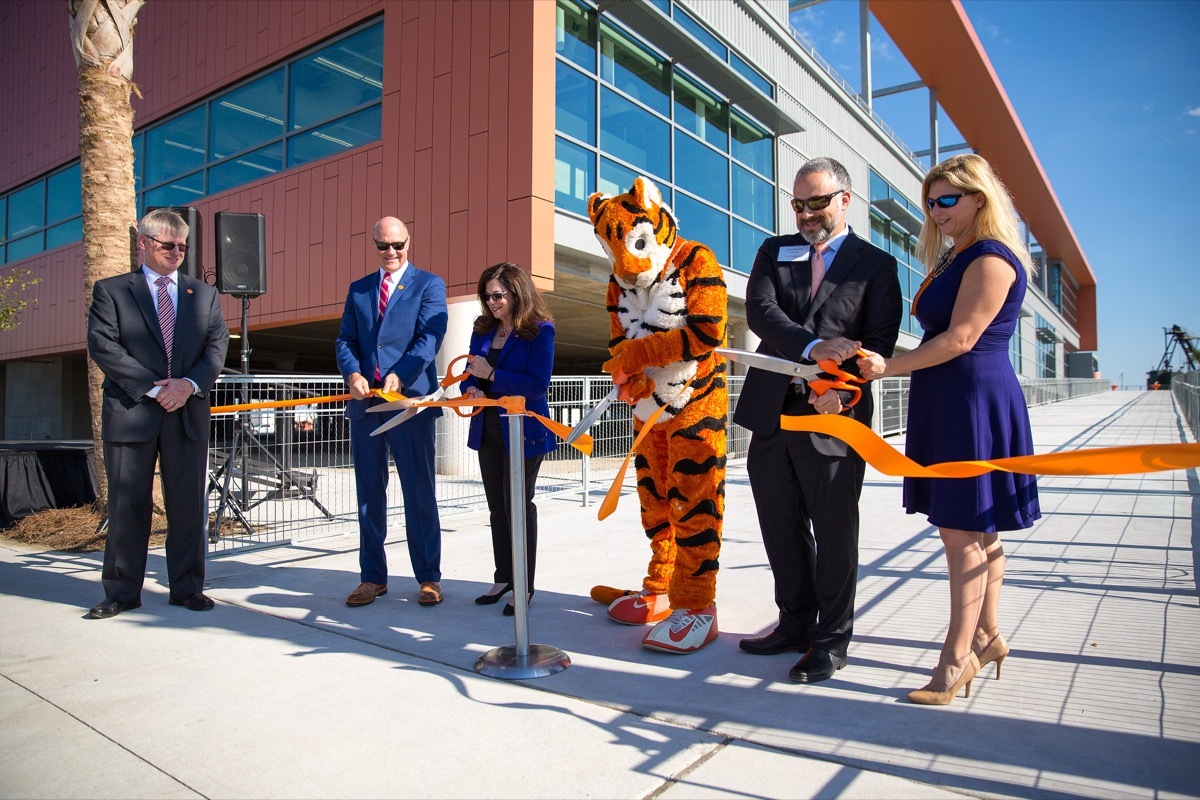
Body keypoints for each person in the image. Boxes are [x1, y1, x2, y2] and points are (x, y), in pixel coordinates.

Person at [857, 153, 1040, 705]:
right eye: (929, 202)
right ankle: (986, 637)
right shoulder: (959, 256)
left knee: (962, 531)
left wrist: (888, 366)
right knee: (979, 530)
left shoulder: (989, 256)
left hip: (972, 400)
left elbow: (962, 337)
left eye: (946, 200)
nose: (934, 211)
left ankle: (955, 660)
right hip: (951, 396)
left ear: (978, 199)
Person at [733, 157, 902, 682]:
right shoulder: (773, 250)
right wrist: (811, 346)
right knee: (780, 525)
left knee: (833, 530)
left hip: (833, 415)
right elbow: (761, 312)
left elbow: (877, 346)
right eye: (798, 204)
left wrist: (843, 395)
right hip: (770, 413)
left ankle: (831, 640)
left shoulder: (876, 265)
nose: (806, 214)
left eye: (817, 203)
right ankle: (794, 623)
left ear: (844, 200)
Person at [86, 208, 229, 618]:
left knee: (187, 506)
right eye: (169, 245)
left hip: (186, 413)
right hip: (132, 412)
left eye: (183, 246)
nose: (178, 253)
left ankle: (186, 589)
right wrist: (155, 387)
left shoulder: (203, 294)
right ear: (143, 243)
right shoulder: (111, 291)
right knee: (128, 505)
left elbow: (215, 347)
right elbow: (104, 346)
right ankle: (122, 592)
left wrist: (187, 386)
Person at [335, 216, 447, 607]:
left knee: (419, 492)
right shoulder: (359, 289)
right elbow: (345, 339)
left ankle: (429, 577)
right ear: (374, 245)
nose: (391, 252)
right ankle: (372, 578)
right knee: (369, 494)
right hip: (366, 407)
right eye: (383, 246)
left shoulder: (429, 285)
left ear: (409, 242)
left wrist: (402, 374)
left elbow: (430, 337)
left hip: (408, 405)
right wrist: (351, 373)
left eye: (397, 245)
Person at [459, 262, 556, 617]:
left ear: (517, 292)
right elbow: (469, 373)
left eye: (497, 295)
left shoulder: (539, 331)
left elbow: (536, 385)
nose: (491, 302)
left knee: (518, 506)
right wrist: (470, 385)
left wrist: (493, 373)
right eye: (487, 296)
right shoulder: (482, 329)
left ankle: (524, 584)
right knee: (497, 508)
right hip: (488, 429)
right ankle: (504, 577)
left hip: (524, 431)